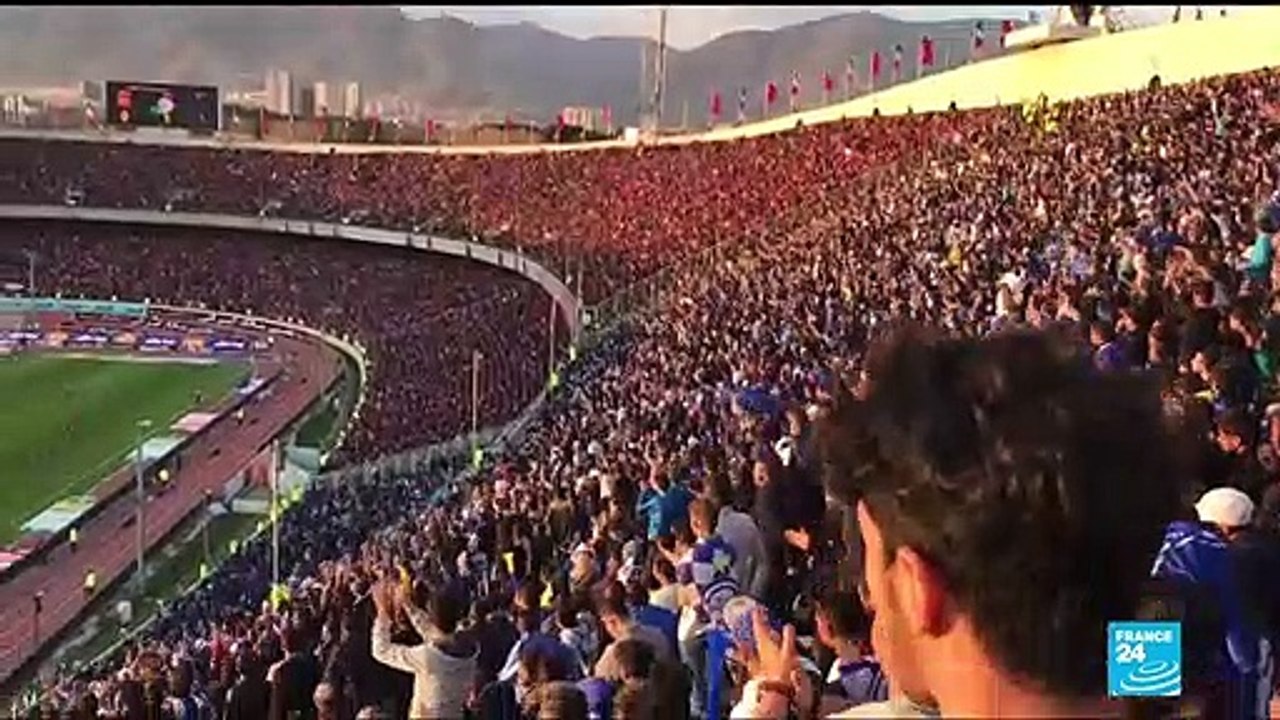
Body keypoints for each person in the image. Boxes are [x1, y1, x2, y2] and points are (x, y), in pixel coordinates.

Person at [734, 329, 1185, 718]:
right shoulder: (1162, 655)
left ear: (917, 587)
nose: (869, 597)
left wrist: (768, 701)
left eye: (870, 562)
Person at [369, 578, 477, 719]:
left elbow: (381, 650)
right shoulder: (470, 649)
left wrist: (382, 613)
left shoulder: (428, 657)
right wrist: (408, 606)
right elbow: (433, 632)